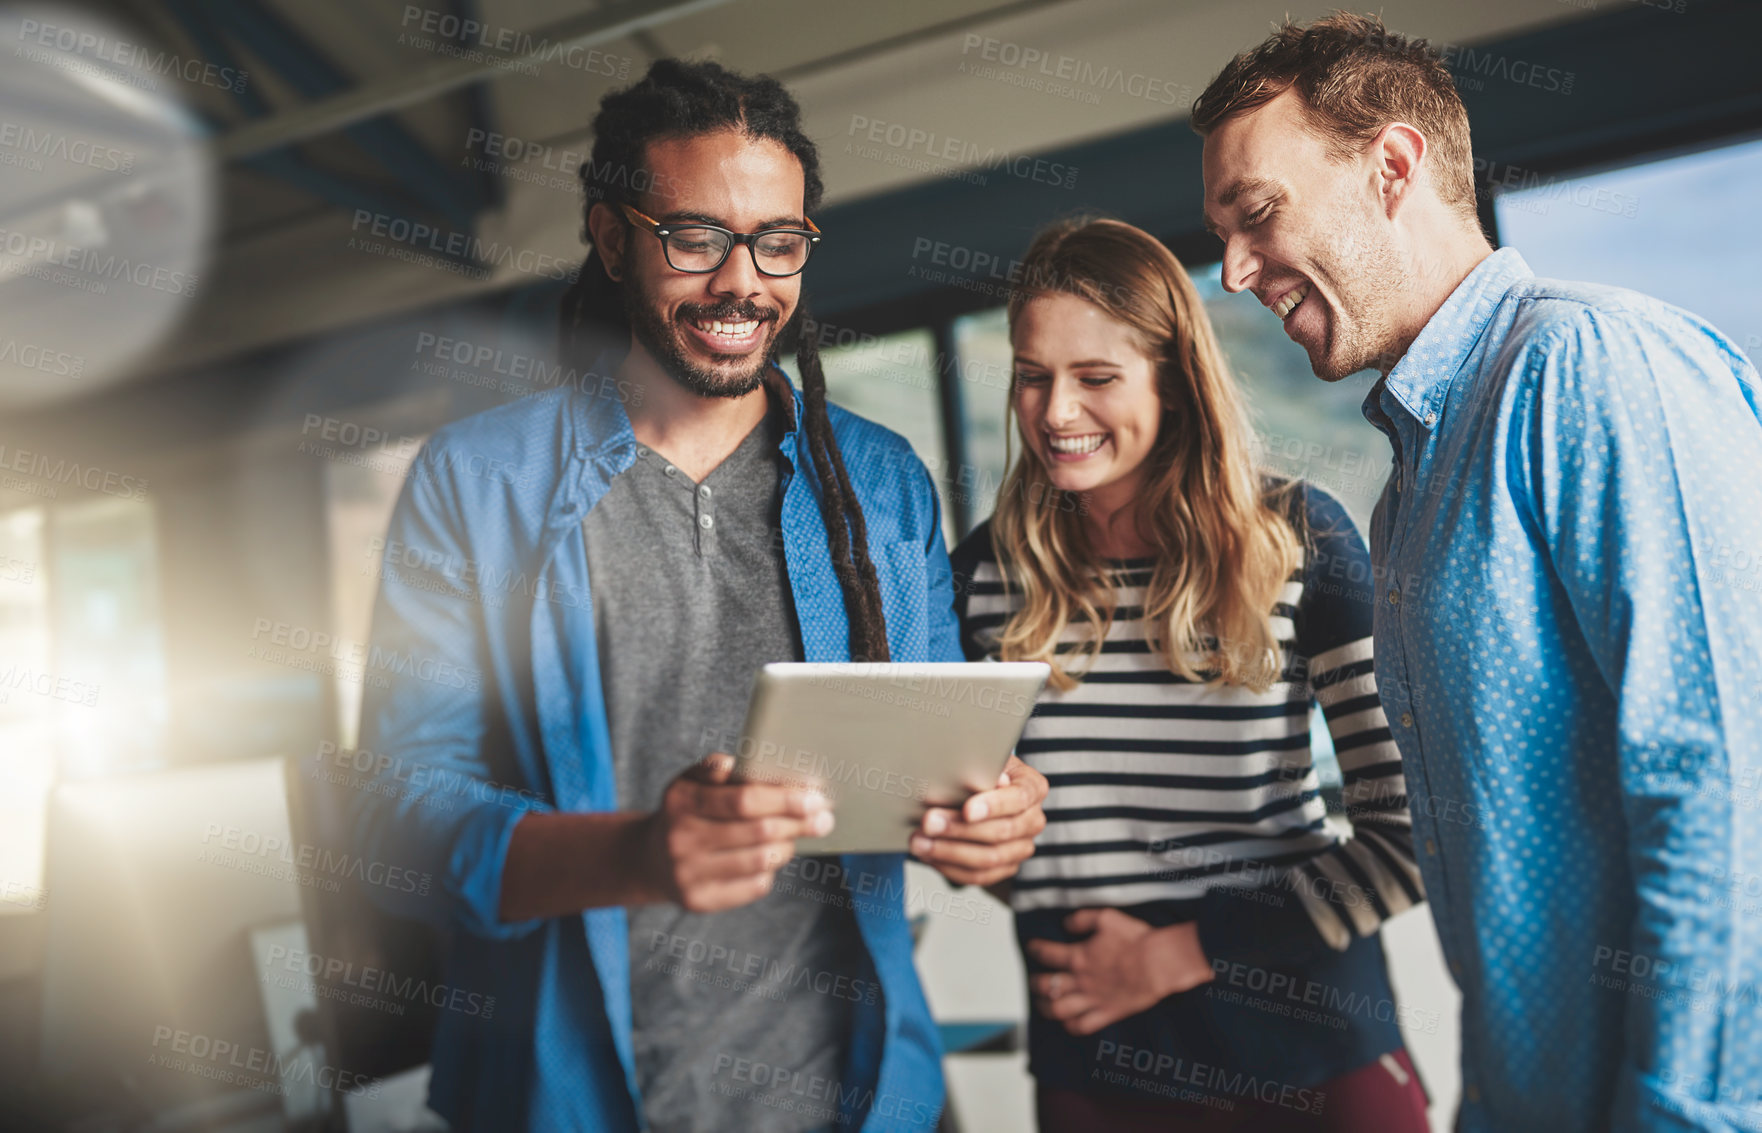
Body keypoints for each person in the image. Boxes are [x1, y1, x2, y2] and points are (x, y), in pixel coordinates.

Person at [349, 59, 1048, 1132]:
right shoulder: (476, 482)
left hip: (861, 1094)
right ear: (611, 235)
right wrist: (633, 852)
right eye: (694, 237)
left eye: (778, 241)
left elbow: (930, 766)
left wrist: (991, 820)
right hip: (568, 1094)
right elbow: (395, 815)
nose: (742, 282)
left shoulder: (881, 481)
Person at [1192, 13, 1762, 1132]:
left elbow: (1730, 786)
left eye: (1256, 216)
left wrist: (1689, 1115)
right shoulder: (1412, 484)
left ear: (1392, 165)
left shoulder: (1586, 365)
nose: (1233, 269)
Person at [949, 216, 1430, 1132]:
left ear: (1172, 377)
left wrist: (1180, 948)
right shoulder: (978, 578)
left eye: (1096, 378)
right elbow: (970, 823)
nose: (1055, 414)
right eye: (1031, 377)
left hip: (1312, 1054)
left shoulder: (1302, 539)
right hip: (1097, 1064)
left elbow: (1409, 833)